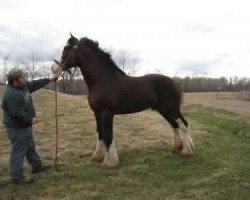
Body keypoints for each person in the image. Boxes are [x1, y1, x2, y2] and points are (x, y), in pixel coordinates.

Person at [1, 67, 58, 185]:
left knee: (30, 146)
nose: (25, 79)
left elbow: (35, 84)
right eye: (22, 77)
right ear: (15, 80)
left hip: (24, 126)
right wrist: (30, 120)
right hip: (16, 127)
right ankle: (16, 177)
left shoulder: (23, 86)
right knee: (19, 150)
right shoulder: (11, 95)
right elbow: (17, 114)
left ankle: (37, 166)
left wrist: (49, 79)